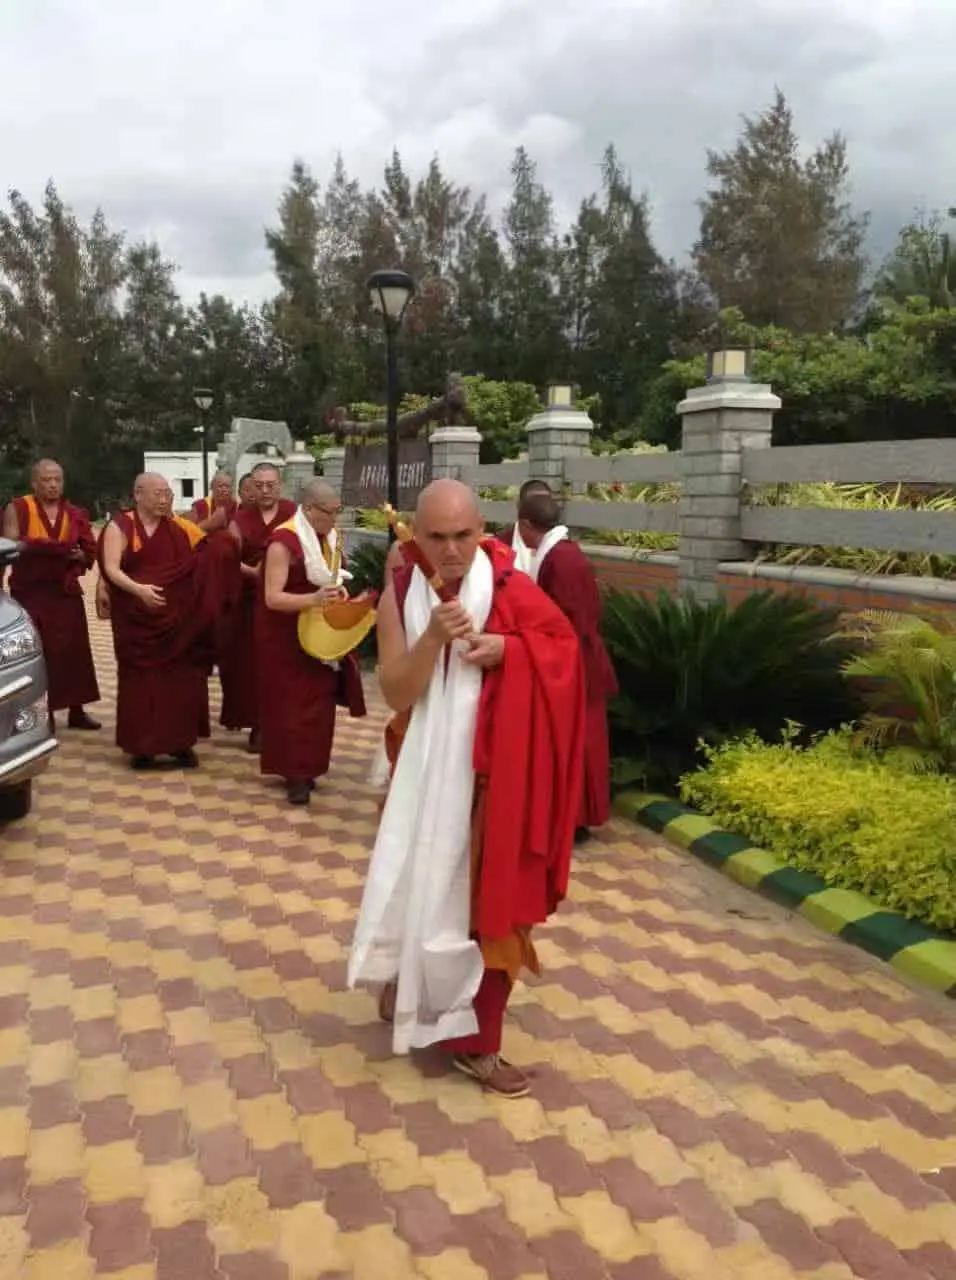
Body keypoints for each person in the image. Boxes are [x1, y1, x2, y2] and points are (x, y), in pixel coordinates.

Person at [348, 479, 586, 1098]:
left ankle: (477, 1041)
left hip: (497, 781)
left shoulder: (510, 586)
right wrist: (432, 637)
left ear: (482, 530)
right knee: (424, 889)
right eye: (436, 537)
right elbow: (397, 691)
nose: (451, 551)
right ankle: (416, 988)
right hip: (427, 780)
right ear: (415, 535)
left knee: (493, 912)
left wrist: (509, 648)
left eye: (463, 535)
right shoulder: (400, 594)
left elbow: (564, 651)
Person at [98, 472, 237, 769]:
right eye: (157, 494)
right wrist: (139, 590)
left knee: (182, 679)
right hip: (136, 618)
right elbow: (111, 568)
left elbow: (207, 554)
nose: (164, 500)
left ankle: (180, 744)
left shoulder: (178, 527)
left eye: (167, 494)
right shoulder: (120, 526)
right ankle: (142, 748)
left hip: (176, 621)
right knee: (140, 682)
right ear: (138, 495)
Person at [515, 489, 618, 837]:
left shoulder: (560, 560)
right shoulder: (565, 553)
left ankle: (574, 821)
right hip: (577, 659)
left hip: (575, 665)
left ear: (527, 525)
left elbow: (564, 620)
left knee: (576, 744)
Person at [258, 480, 366, 805]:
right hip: (286, 637)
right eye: (329, 512)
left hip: (321, 637)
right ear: (308, 509)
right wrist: (314, 599)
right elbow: (272, 597)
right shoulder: (283, 542)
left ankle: (311, 767)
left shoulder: (330, 539)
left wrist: (339, 596)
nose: (334, 519)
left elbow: (332, 580)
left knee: (320, 706)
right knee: (292, 708)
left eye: (337, 512)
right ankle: (294, 775)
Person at [2, 459, 101, 730]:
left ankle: (77, 711)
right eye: (46, 480)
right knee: (37, 653)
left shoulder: (74, 512)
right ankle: (42, 713)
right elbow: (11, 543)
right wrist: (51, 547)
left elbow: (88, 550)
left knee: (74, 652)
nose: (53, 484)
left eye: (57, 479)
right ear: (34, 483)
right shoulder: (19, 507)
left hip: (64, 591)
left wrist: (79, 555)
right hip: (31, 592)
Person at [228, 463, 296, 749]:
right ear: (251, 487)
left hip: (287, 600)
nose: (265, 490)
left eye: (271, 485)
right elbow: (229, 559)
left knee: (287, 664)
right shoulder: (239, 519)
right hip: (251, 601)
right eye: (259, 485)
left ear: (280, 485)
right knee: (255, 664)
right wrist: (255, 572)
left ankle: (286, 724)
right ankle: (259, 726)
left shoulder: (293, 513)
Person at [496, 478, 553, 574]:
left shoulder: (560, 547)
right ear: (519, 505)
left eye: (544, 504)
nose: (539, 509)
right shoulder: (501, 544)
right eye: (533, 505)